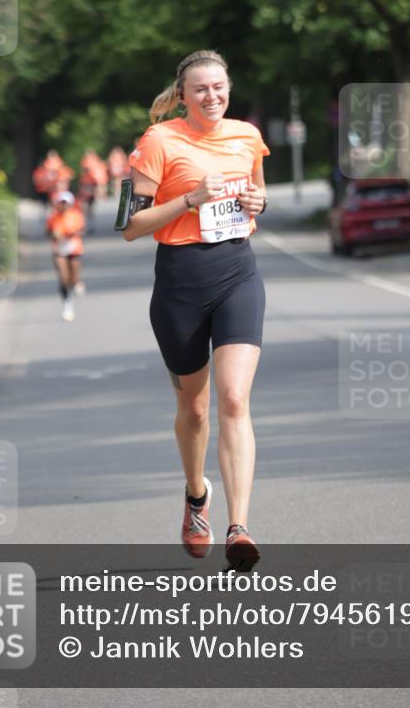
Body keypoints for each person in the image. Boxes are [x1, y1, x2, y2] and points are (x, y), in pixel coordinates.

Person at [121, 50, 269, 570]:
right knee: (197, 408)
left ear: (230, 89)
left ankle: (239, 527)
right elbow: (131, 226)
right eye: (201, 89)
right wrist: (188, 201)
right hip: (180, 283)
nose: (213, 96)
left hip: (237, 274)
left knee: (233, 398)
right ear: (182, 95)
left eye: (220, 87)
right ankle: (196, 496)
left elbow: (258, 195)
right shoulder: (157, 142)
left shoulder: (246, 135)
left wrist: (257, 205)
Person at [46, 191, 86, 321]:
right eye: (61, 203)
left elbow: (80, 230)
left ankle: (76, 283)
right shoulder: (52, 218)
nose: (63, 206)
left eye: (65, 203)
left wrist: (69, 233)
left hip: (74, 248)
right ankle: (67, 304)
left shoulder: (76, 215)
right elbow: (48, 232)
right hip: (59, 249)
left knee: (73, 278)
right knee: (63, 278)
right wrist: (54, 235)